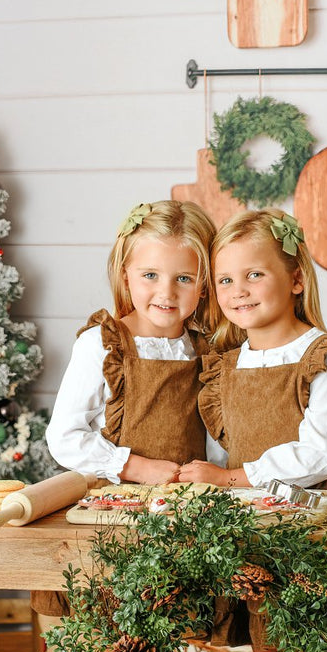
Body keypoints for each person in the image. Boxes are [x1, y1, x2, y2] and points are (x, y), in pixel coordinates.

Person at [178, 208, 327, 495]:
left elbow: (322, 454)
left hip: (317, 520)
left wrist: (229, 478)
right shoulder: (225, 367)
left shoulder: (323, 355)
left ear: (296, 280)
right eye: (225, 280)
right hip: (245, 520)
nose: (238, 291)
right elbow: (220, 455)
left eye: (254, 275)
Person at [45, 199, 216, 484]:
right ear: (125, 277)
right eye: (150, 275)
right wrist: (135, 468)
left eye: (184, 278)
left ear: (204, 286)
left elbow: (216, 440)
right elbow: (64, 437)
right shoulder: (100, 345)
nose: (167, 292)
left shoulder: (206, 351)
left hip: (188, 507)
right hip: (115, 506)